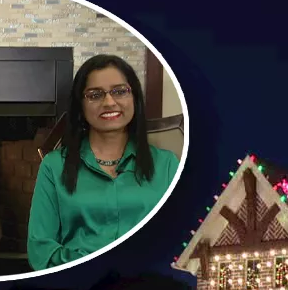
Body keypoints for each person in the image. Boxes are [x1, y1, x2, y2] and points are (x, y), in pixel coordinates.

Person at [26, 54, 180, 270]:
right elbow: (40, 250)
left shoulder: (167, 165)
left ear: (134, 98)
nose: (109, 102)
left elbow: (183, 239)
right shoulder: (54, 167)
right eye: (95, 94)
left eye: (120, 91)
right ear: (80, 105)